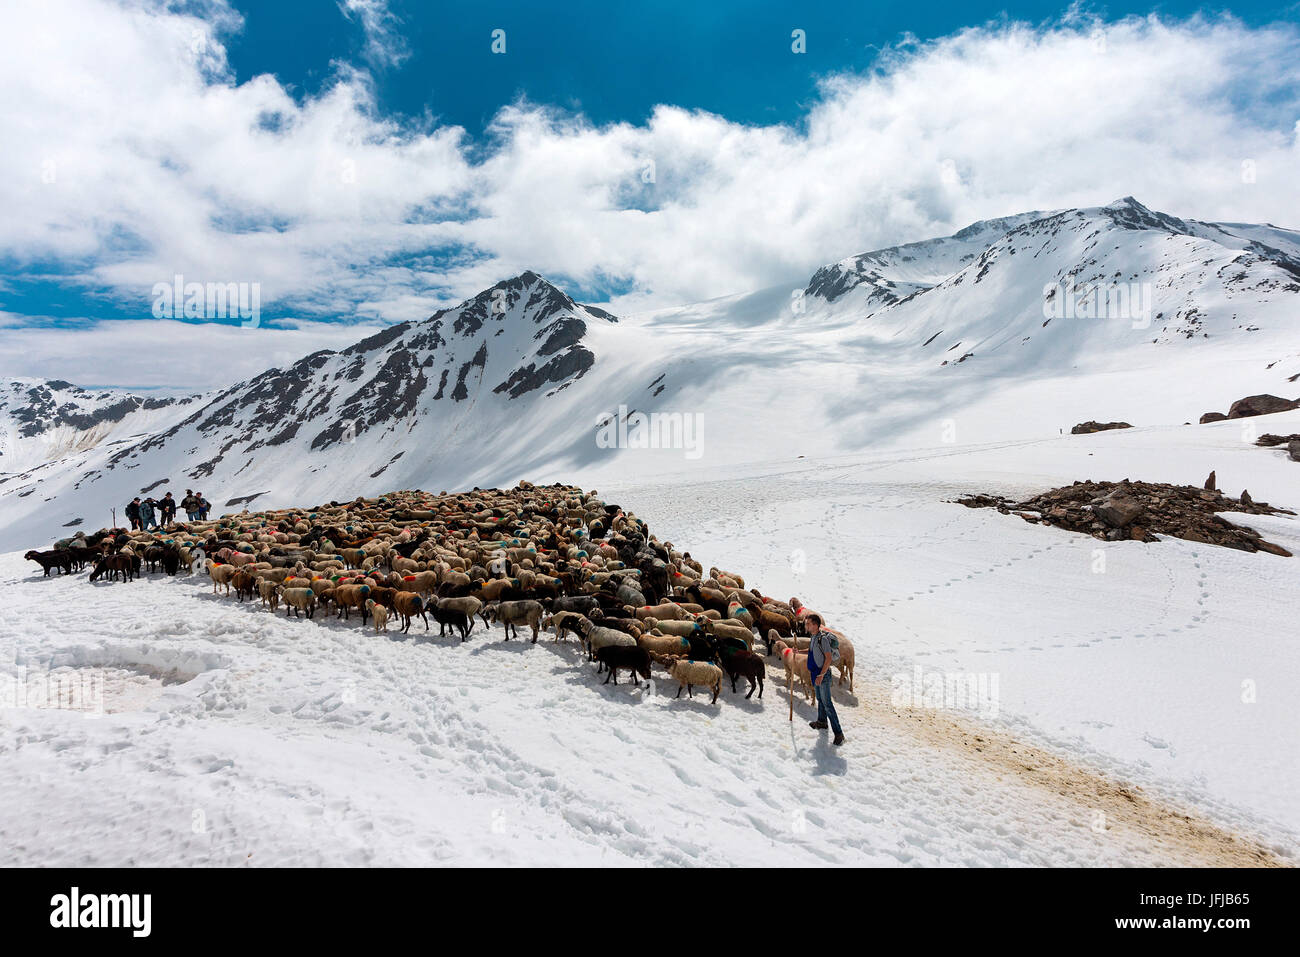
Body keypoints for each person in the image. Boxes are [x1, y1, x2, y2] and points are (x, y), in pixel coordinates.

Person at [806, 614, 845, 746]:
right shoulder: (813, 637)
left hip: (822, 675)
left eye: (809, 624)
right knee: (820, 700)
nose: (807, 626)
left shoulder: (822, 639)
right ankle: (822, 722)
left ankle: (839, 733)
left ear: (816, 625)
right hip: (815, 673)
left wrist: (821, 675)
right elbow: (811, 651)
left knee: (827, 703)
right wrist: (798, 651)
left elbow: (828, 658)